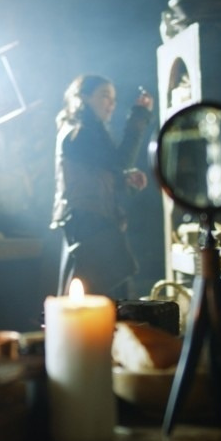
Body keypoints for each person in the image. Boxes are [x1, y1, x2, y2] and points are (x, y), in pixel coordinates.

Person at [50, 74, 154, 298]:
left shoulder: (88, 132)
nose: (111, 104)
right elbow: (120, 161)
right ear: (84, 97)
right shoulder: (79, 133)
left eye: (114, 99)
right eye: (105, 96)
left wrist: (122, 180)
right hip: (88, 224)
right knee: (97, 296)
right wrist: (139, 116)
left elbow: (99, 173)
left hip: (93, 222)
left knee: (104, 296)